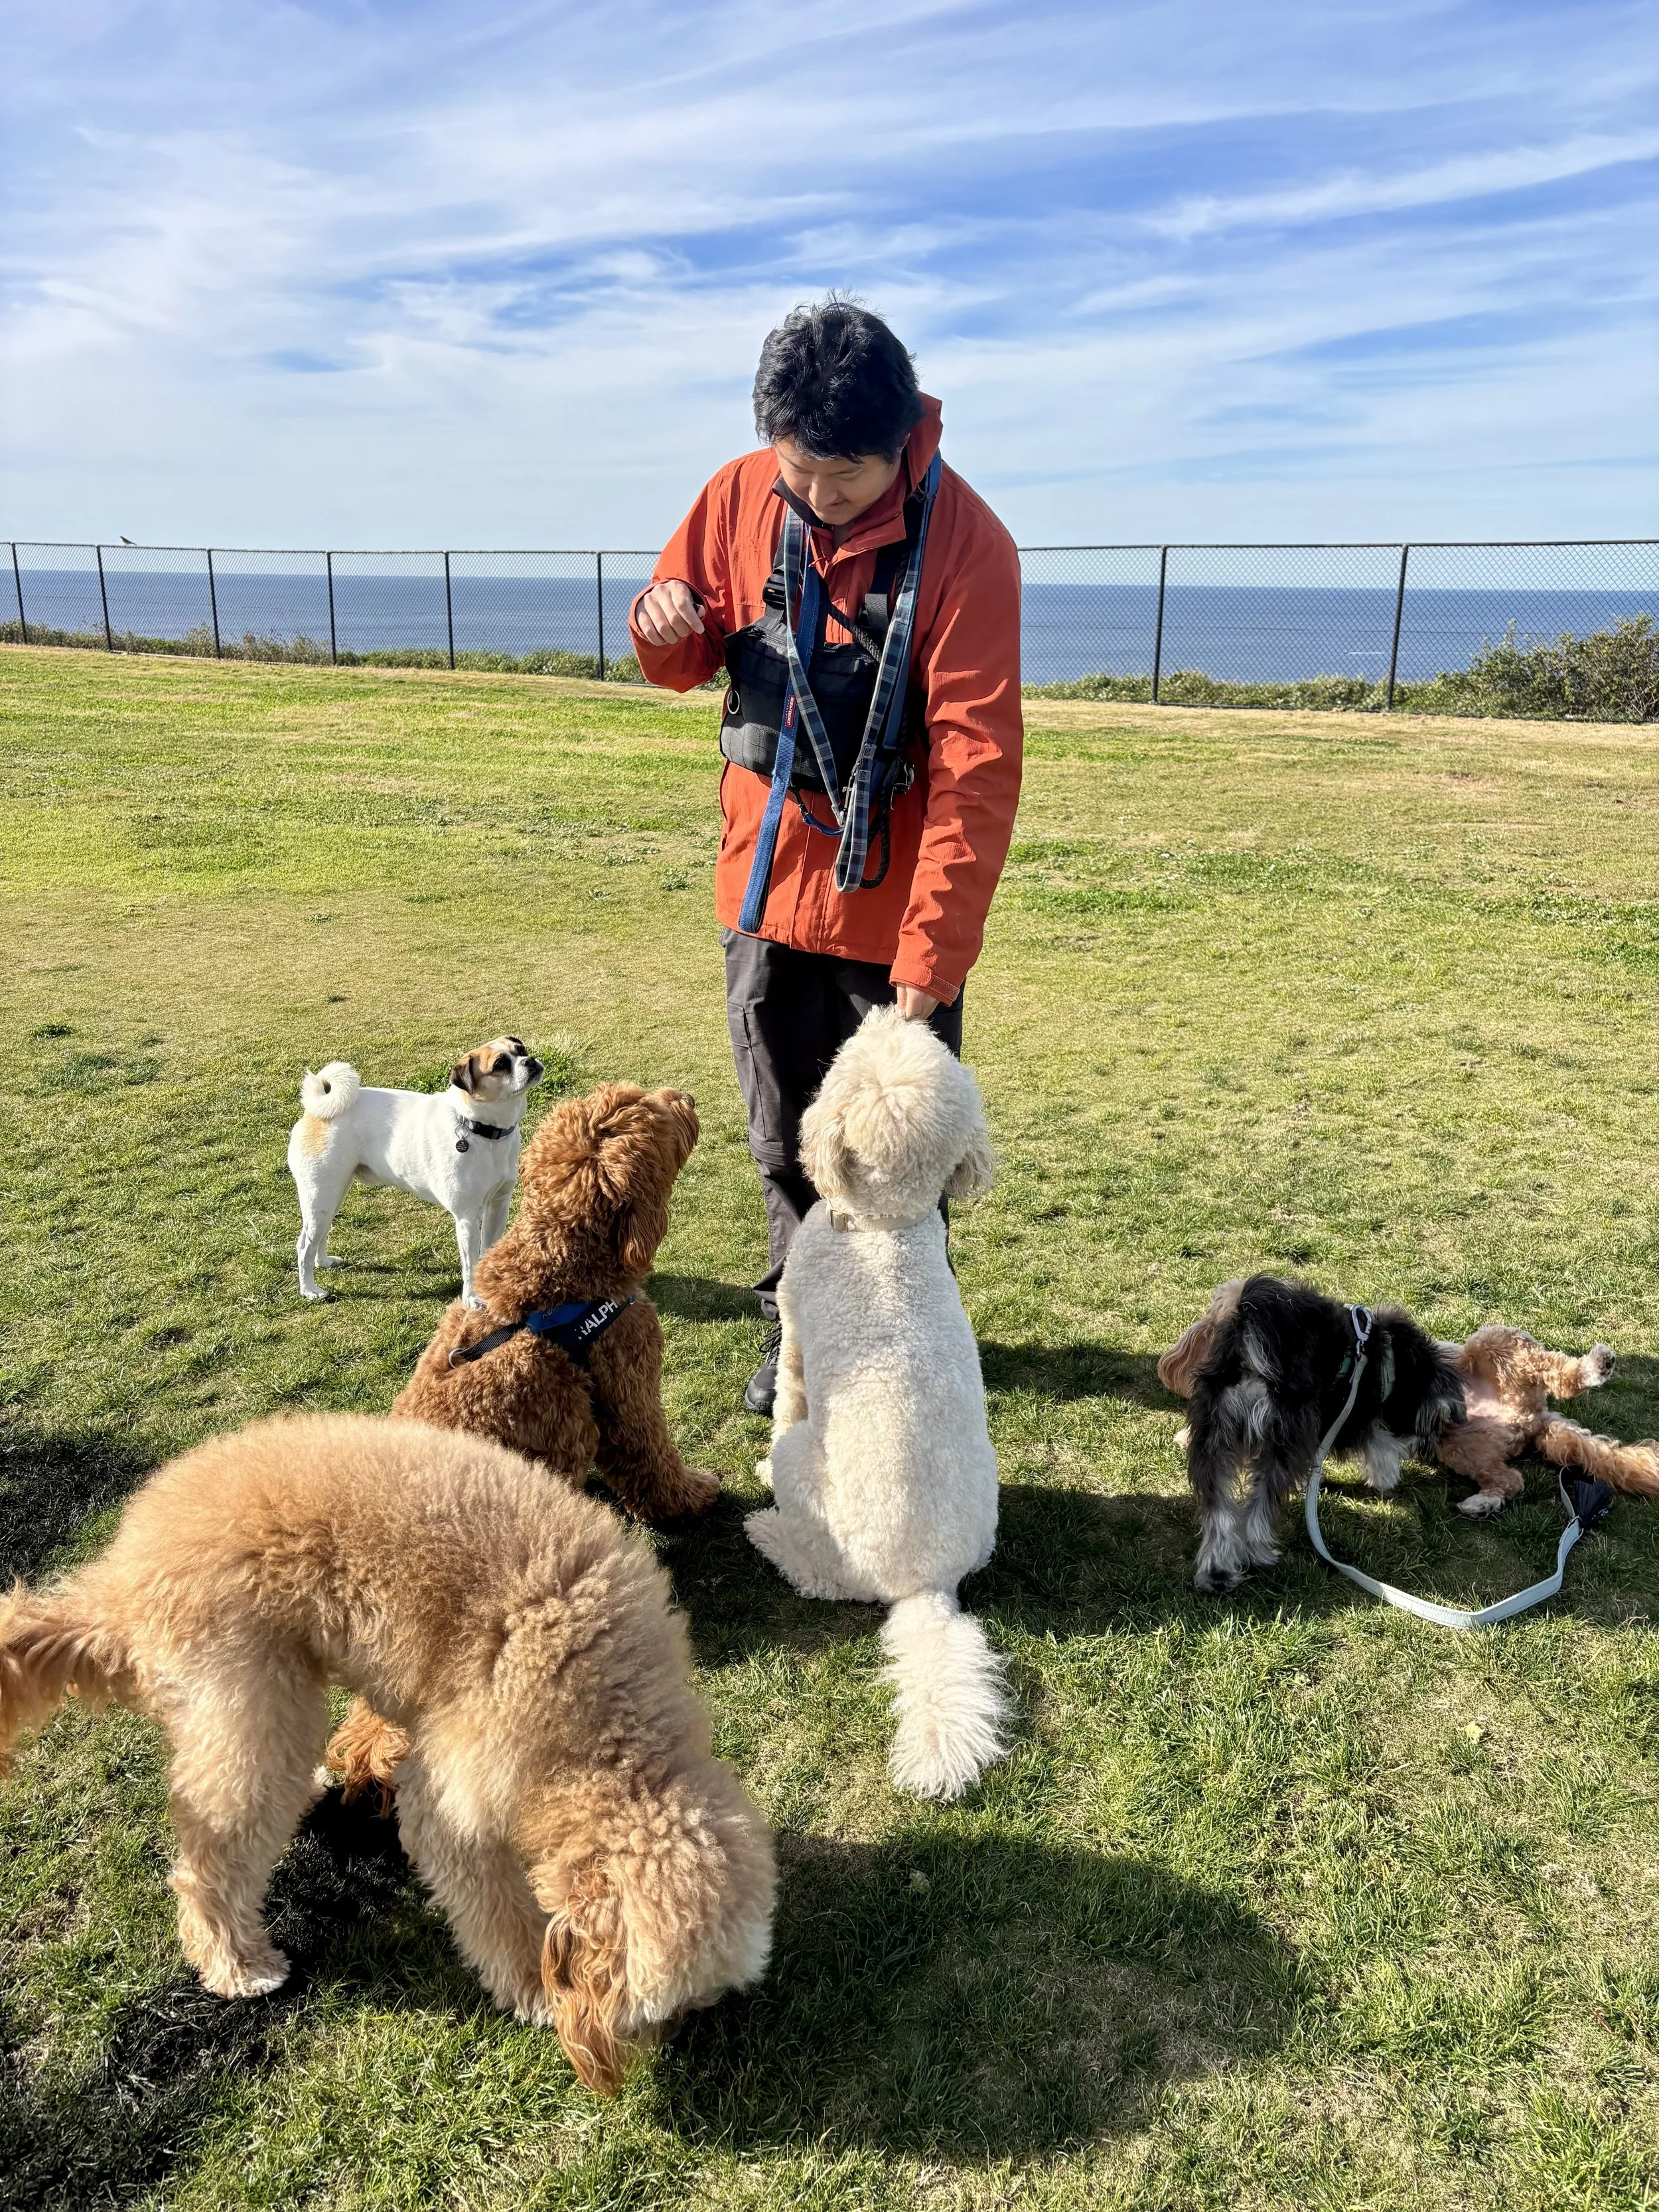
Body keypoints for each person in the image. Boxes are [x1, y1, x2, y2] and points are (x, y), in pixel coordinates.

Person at [630, 298, 1023, 1414]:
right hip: (761, 891)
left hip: (893, 920)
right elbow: (686, 650)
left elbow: (977, 770)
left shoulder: (970, 545)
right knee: (780, 1141)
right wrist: (662, 622)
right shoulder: (738, 492)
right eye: (796, 467)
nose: (814, 494)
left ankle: (903, 1340)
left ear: (900, 441)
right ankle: (798, 1329)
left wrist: (929, 966)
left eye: (842, 476)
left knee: (896, 1158)